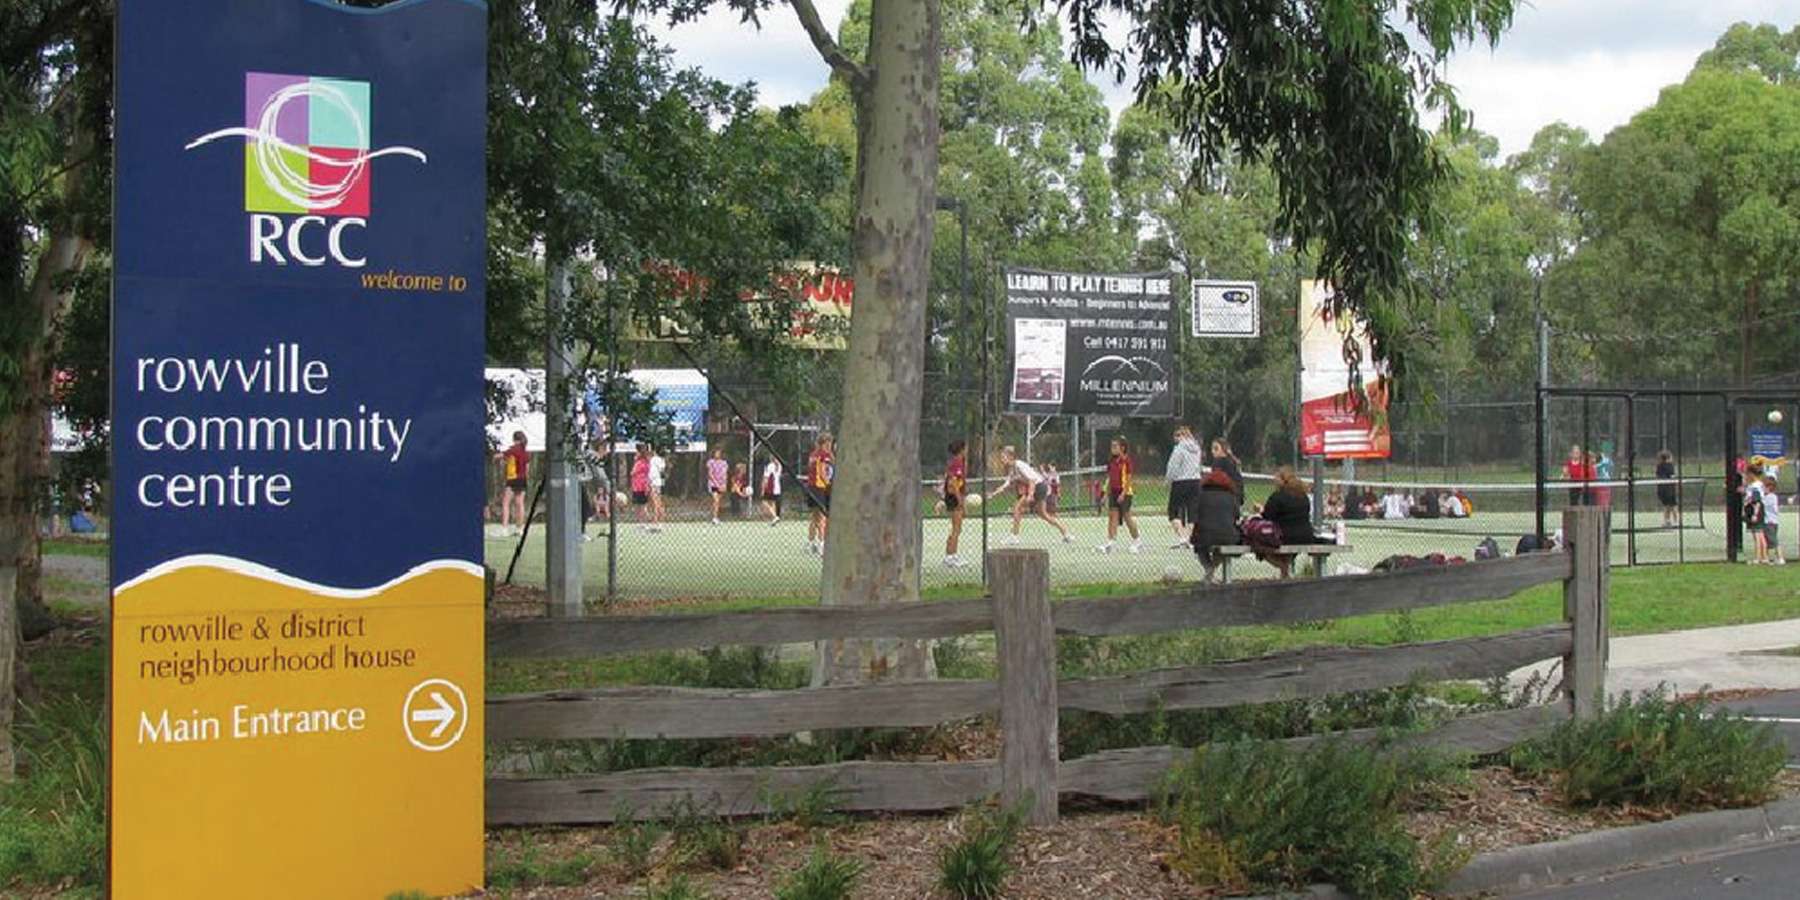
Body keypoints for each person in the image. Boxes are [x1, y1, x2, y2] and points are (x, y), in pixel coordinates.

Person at [1000, 445, 1073, 544]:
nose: (1002, 459)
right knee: (1043, 514)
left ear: (1011, 457)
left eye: (1003, 457)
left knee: (1017, 508)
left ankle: (1014, 537)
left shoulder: (1019, 465)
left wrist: (1030, 495)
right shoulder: (1012, 468)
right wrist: (994, 493)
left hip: (1039, 486)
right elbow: (1007, 483)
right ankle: (1066, 534)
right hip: (1038, 487)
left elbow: (1032, 480)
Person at [1261, 466, 1322, 578]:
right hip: (1306, 536)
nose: (1274, 479)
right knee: (1287, 547)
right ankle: (1284, 572)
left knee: (1257, 543)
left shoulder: (1277, 497)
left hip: (1285, 536)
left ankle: (1282, 566)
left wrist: (1260, 511)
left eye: (1276, 477)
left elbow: (1267, 517)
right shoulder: (1303, 496)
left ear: (1282, 479)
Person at [1188, 467, 1241, 583]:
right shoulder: (1231, 497)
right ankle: (1212, 569)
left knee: (1200, 546)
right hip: (1228, 535)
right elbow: (1237, 516)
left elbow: (1194, 516)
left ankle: (1209, 568)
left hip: (1204, 535)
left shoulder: (1200, 495)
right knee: (1224, 544)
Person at [1099, 437, 1143, 554]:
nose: (1112, 449)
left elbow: (1128, 480)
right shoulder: (1111, 461)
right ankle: (1111, 543)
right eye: (1112, 446)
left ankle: (1137, 541)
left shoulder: (1126, 461)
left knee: (1127, 517)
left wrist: (1123, 494)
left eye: (1115, 446)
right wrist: (1105, 495)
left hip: (1125, 492)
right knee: (1112, 516)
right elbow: (1109, 478)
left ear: (1122, 448)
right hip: (1113, 492)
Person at [1165, 426, 1204, 547]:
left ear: (1182, 436)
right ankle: (1189, 537)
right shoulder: (1197, 449)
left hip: (1180, 482)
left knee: (1173, 511)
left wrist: (1168, 480)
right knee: (1192, 511)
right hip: (1195, 481)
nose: (1176, 439)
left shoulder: (1179, 449)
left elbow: (1173, 466)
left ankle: (1182, 537)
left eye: (1177, 436)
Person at [493, 431, 531, 535]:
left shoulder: (513, 450)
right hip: (523, 479)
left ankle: (504, 529)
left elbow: (500, 456)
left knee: (506, 503)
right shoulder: (525, 452)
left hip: (513, 479)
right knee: (520, 504)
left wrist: (494, 456)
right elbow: (527, 468)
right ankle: (520, 529)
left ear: (515, 439)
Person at [942, 439, 970, 567]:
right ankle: (951, 557)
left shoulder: (958, 463)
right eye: (965, 448)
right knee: (956, 528)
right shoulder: (957, 463)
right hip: (953, 497)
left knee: (955, 528)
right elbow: (953, 484)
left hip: (953, 496)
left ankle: (949, 555)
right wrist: (960, 501)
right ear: (961, 450)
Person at [805, 432, 834, 554]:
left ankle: (811, 544)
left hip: (811, 487)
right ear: (826, 443)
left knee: (814, 517)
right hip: (819, 488)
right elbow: (822, 472)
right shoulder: (823, 455)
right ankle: (822, 544)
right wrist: (829, 484)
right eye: (829, 443)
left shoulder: (813, 455)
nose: (830, 446)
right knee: (822, 517)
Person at [579, 436, 610, 542]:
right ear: (601, 448)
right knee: (585, 507)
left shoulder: (587, 453)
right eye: (606, 449)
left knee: (585, 506)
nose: (607, 452)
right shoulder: (592, 455)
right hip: (578, 482)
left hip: (580, 482)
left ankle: (579, 532)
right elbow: (600, 476)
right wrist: (611, 491)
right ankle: (579, 533)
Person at [1208, 438, 1244, 505]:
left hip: (1227, 496)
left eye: (1216, 449)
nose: (1213, 451)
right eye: (1212, 448)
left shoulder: (1218, 462)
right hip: (1236, 495)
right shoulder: (1232, 461)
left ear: (1223, 450)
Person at [1746, 470, 1769, 564]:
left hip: (1756, 510)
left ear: (1752, 474)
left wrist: (1755, 514)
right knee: (1761, 535)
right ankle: (1764, 557)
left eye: (1747, 474)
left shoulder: (1755, 486)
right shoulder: (1759, 484)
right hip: (1759, 510)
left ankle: (1758, 558)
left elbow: (1757, 501)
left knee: (1757, 535)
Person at [630, 443, 654, 531]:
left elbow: (632, 472)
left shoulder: (641, 463)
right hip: (638, 486)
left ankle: (646, 522)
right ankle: (641, 523)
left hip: (640, 486)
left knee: (641, 506)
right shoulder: (645, 462)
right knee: (639, 506)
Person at [1764, 474, 1786, 566]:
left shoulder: (1770, 497)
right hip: (1772, 521)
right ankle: (1767, 558)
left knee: (1774, 541)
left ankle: (1780, 558)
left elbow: (1763, 505)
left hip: (1770, 522)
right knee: (1767, 541)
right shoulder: (1771, 496)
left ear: (1769, 487)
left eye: (1764, 487)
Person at [706, 448, 730, 524]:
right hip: (713, 484)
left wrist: (724, 484)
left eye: (719, 453)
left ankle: (715, 516)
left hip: (721, 484)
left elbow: (725, 474)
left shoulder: (724, 463)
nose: (717, 454)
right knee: (716, 500)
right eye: (716, 452)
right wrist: (716, 484)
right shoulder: (710, 462)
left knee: (718, 502)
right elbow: (710, 474)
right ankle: (714, 518)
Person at [647, 444, 668, 532]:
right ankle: (661, 520)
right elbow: (662, 471)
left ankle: (656, 522)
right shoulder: (662, 461)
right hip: (657, 482)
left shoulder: (654, 459)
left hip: (654, 482)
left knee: (655, 501)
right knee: (658, 501)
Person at [1655, 449, 1678, 528]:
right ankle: (1675, 521)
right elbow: (1672, 476)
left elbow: (1658, 476)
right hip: (1669, 488)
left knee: (1666, 506)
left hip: (1661, 489)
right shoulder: (1670, 466)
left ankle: (1666, 521)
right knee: (1673, 505)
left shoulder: (1659, 466)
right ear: (1668, 458)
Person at [760, 454, 784, 525]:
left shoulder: (770, 466)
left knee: (764, 502)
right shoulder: (780, 466)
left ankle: (774, 517)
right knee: (772, 503)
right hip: (777, 488)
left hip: (770, 487)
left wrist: (763, 489)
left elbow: (766, 478)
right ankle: (774, 519)